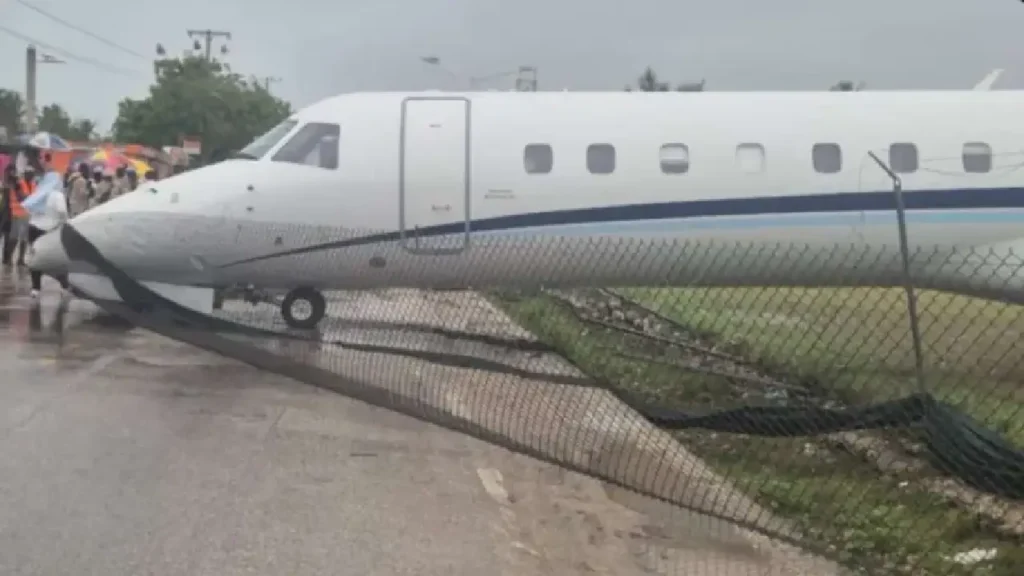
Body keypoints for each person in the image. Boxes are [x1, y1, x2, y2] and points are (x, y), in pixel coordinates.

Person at [21, 154, 69, 299]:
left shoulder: (38, 193)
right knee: (56, 258)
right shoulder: (57, 195)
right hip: (50, 231)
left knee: (35, 258)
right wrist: (65, 221)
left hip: (33, 229)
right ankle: (63, 285)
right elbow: (62, 212)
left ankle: (35, 288)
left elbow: (29, 208)